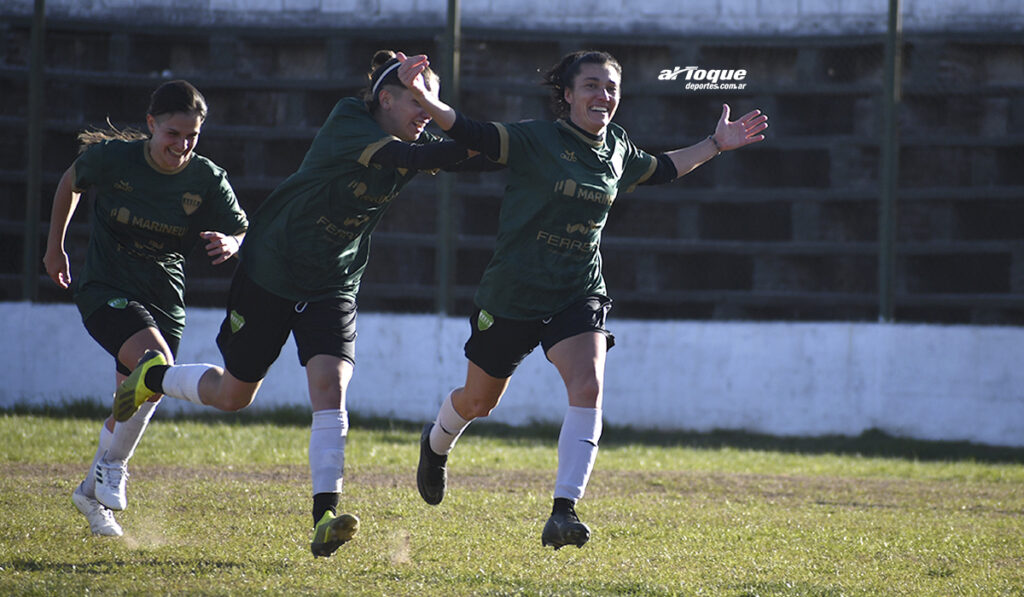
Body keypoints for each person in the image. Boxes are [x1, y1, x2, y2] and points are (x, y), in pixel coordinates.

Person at [111, 50, 501, 558]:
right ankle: (154, 379)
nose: (427, 109)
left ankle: (325, 516)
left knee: (331, 386)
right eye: (417, 96)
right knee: (234, 395)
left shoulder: (413, 136)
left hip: (332, 282)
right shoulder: (349, 120)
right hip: (271, 269)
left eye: (433, 98)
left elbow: (470, 153)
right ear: (385, 98)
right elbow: (427, 158)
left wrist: (501, 140)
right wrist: (475, 140)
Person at [400, 50, 769, 549]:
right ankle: (436, 441)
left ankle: (564, 510)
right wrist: (426, 98)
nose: (604, 95)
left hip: (578, 291)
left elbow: (659, 167)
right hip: (513, 293)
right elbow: (470, 131)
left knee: (588, 383)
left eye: (612, 87)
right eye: (592, 85)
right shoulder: (537, 138)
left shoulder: (616, 147)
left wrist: (715, 145)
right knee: (478, 401)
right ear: (568, 94)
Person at [43, 80, 249, 537]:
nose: (182, 145)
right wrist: (55, 248)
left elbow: (240, 226)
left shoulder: (207, 178)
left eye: (192, 136)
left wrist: (231, 242)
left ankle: (88, 493)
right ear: (152, 125)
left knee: (141, 394)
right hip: (105, 285)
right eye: (173, 134)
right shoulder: (114, 160)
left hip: (164, 296)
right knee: (156, 365)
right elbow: (70, 182)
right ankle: (113, 469)